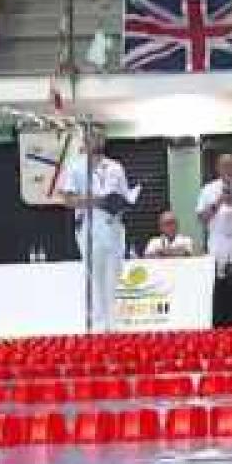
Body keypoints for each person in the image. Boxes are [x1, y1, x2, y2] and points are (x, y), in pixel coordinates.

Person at [58, 129, 132, 333]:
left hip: (114, 226)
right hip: (90, 227)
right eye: (92, 136)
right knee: (95, 278)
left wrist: (121, 203)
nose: (96, 140)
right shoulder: (75, 167)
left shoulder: (116, 167)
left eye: (100, 136)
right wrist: (95, 201)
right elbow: (67, 200)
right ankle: (98, 326)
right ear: (85, 139)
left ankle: (114, 325)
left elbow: (125, 196)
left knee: (114, 276)